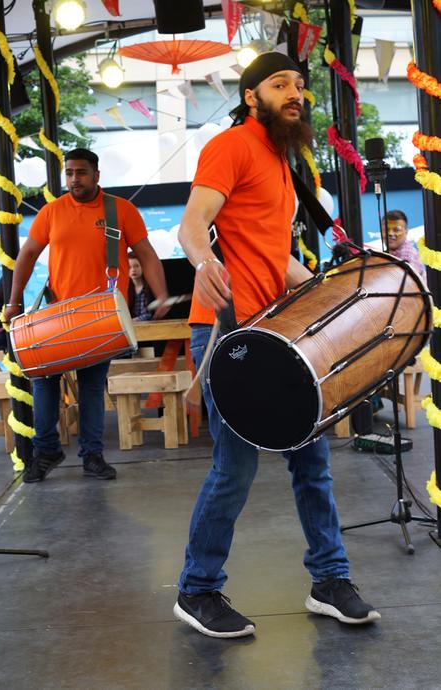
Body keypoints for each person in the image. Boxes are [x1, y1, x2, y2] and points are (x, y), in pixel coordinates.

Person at [173, 52, 381, 638]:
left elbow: (275, 255)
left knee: (312, 464)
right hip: (226, 328)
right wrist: (203, 260)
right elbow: (191, 225)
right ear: (250, 96)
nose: (295, 92)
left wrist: (332, 291)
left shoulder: (282, 161)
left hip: (279, 329)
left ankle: (330, 580)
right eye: (279, 83)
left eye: (298, 84)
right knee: (234, 470)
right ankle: (197, 589)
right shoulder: (232, 145)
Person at [4, 148, 169, 484]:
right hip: (59, 314)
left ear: (96, 175)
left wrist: (161, 293)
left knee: (93, 386)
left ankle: (92, 455)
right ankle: (47, 449)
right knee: (43, 380)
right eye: (69, 173)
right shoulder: (52, 212)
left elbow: (146, 254)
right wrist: (13, 300)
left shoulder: (120, 210)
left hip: (102, 315)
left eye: (80, 172)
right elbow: (28, 255)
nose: (74, 179)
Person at [382, 209, 426, 281]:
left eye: (396, 230)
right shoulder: (386, 254)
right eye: (386, 230)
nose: (390, 234)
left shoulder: (409, 255)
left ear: (406, 231)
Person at [128, 250, 153, 321]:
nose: (133, 270)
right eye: (129, 267)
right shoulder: (126, 288)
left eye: (136, 266)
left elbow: (151, 314)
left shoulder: (150, 287)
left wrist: (135, 320)